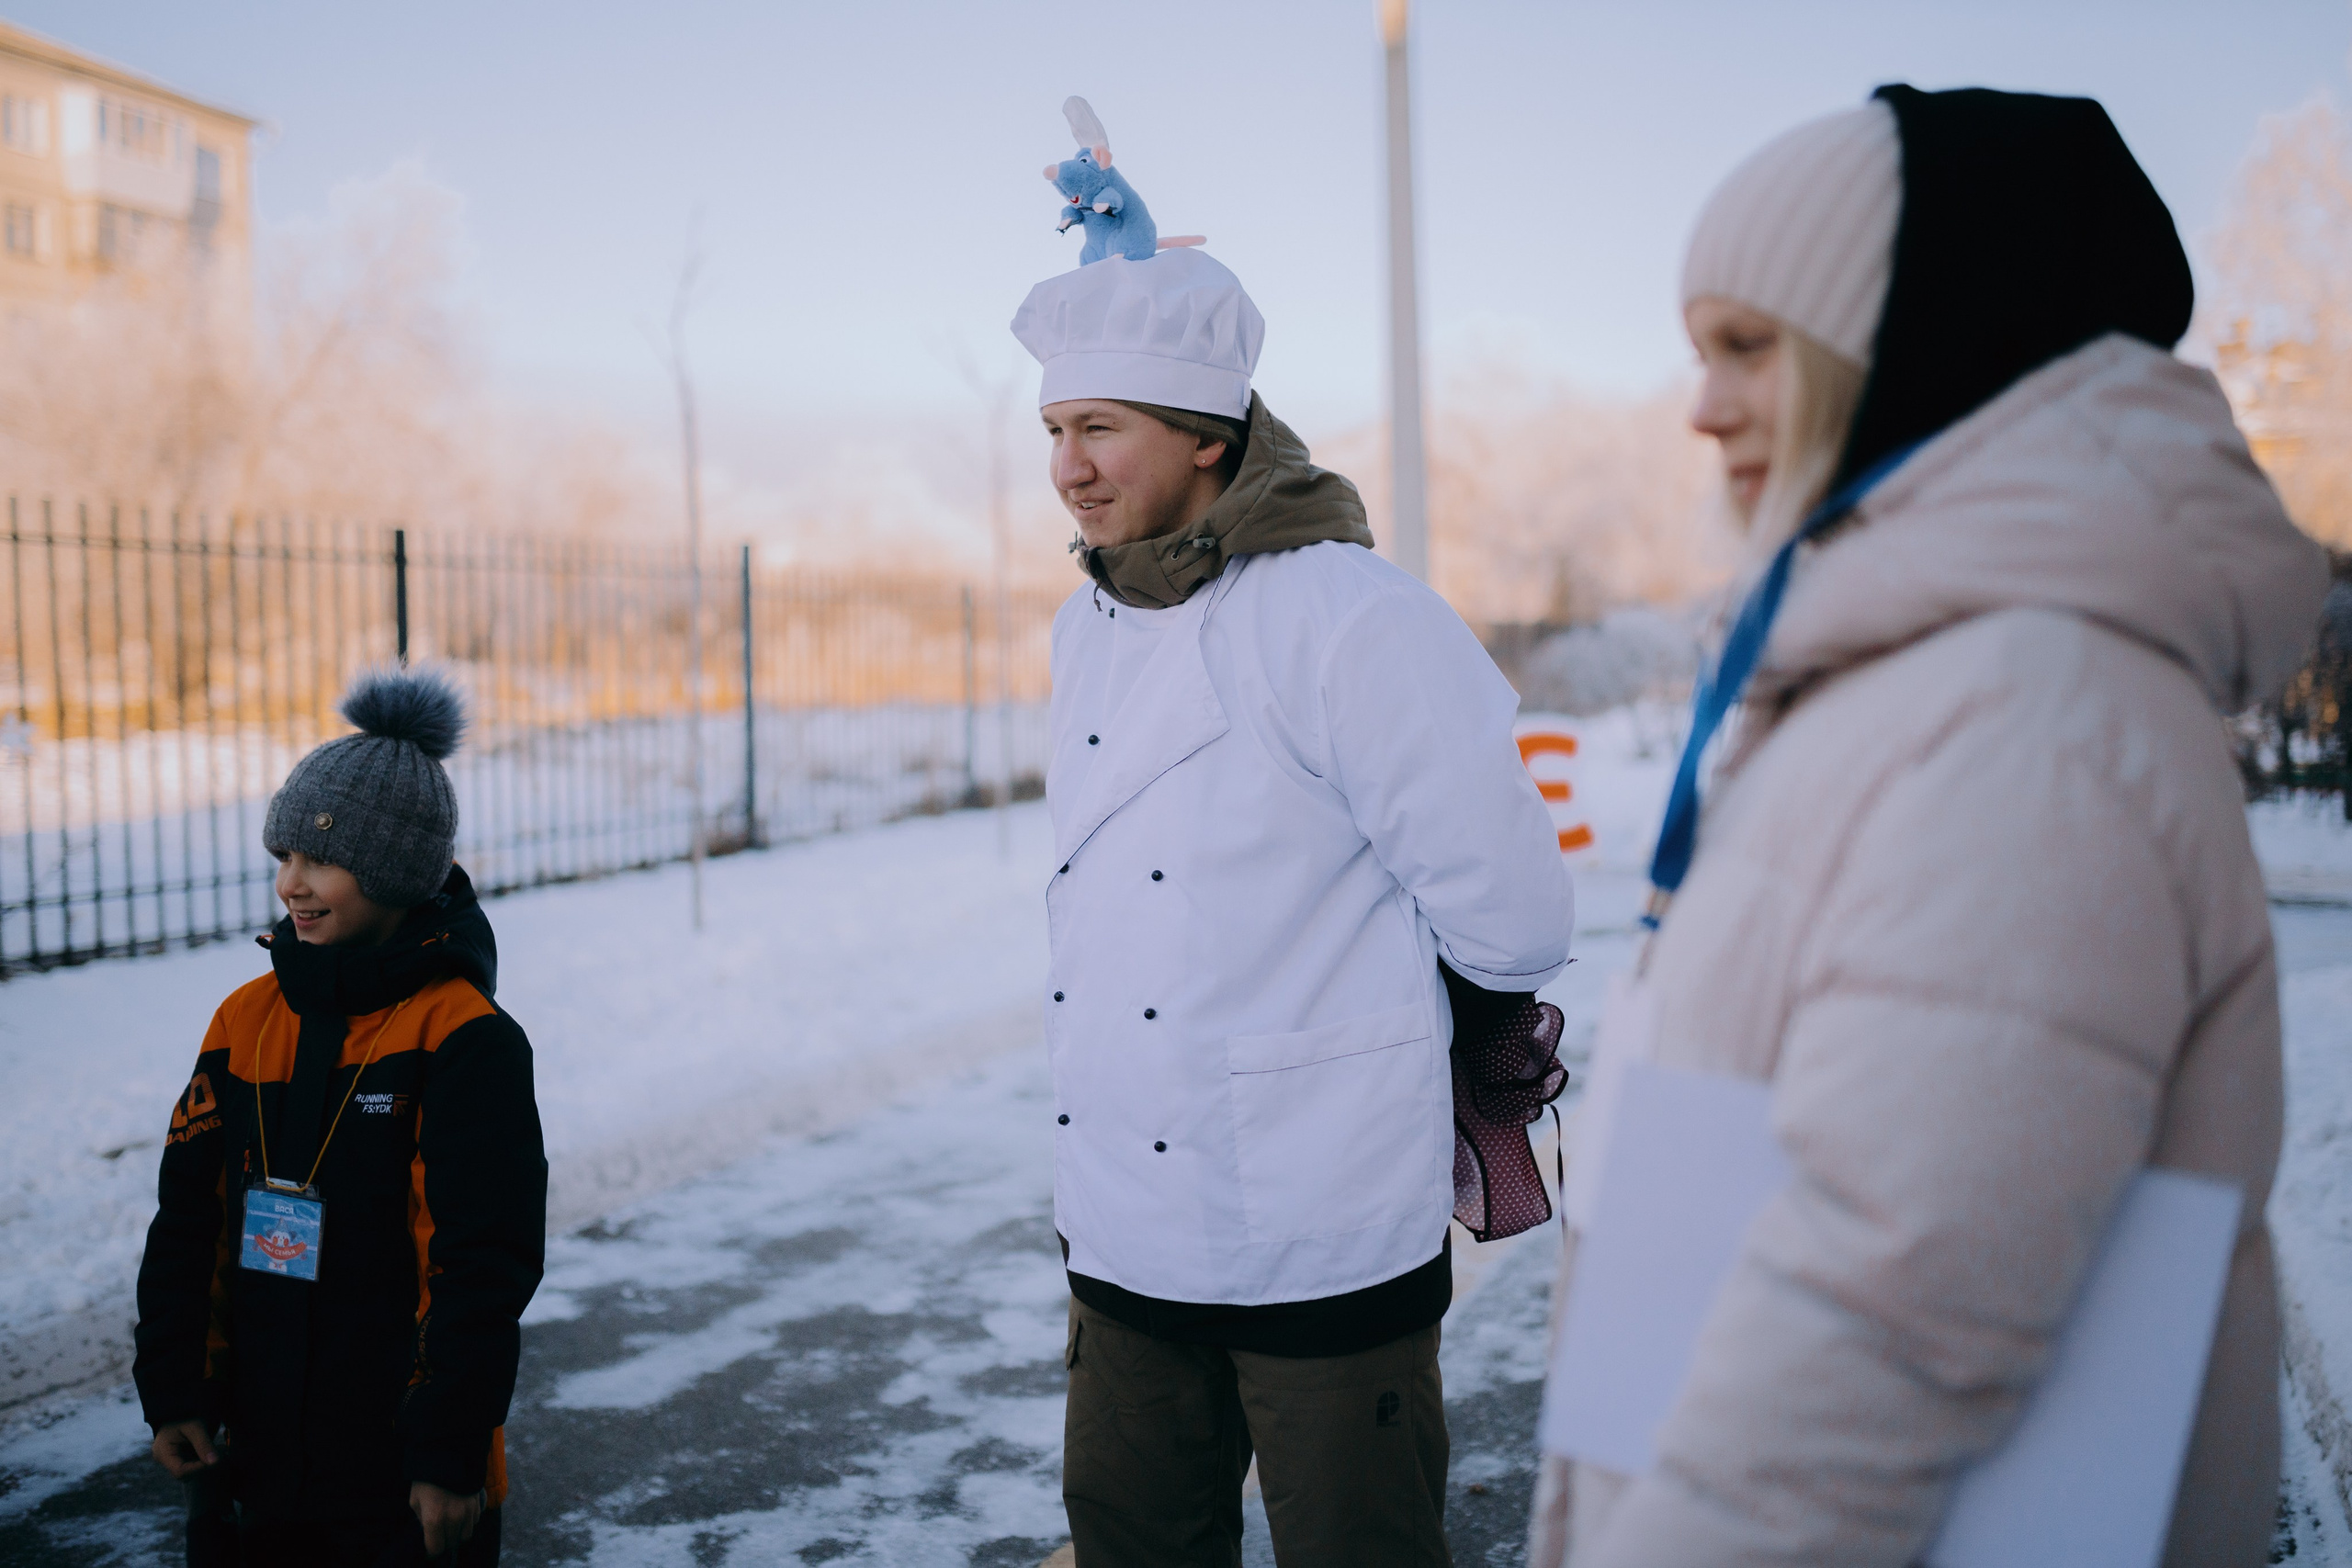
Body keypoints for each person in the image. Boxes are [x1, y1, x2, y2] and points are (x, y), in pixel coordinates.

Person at [1528, 87, 2331, 1567]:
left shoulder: (2029, 718)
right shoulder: (1913, 672)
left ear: (1917, 343)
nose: (1699, 408)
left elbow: (1883, 1317)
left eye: (1749, 347)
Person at [1011, 231, 1573, 1563]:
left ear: (1208, 435)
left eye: (1099, 426)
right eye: (1052, 428)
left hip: (1315, 1220)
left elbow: (1512, 907)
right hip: (1123, 1226)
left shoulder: (1351, 614)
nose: (1066, 467)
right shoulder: (1080, 625)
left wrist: (1447, 1045)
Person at [135, 669, 548, 1568]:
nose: (292, 883)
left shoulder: (464, 1038)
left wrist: (447, 1455)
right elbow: (189, 1222)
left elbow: (480, 1262)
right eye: (282, 856)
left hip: (398, 1477)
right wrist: (177, 1388)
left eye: (321, 859)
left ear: (398, 870)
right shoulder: (244, 1020)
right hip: (252, 1462)